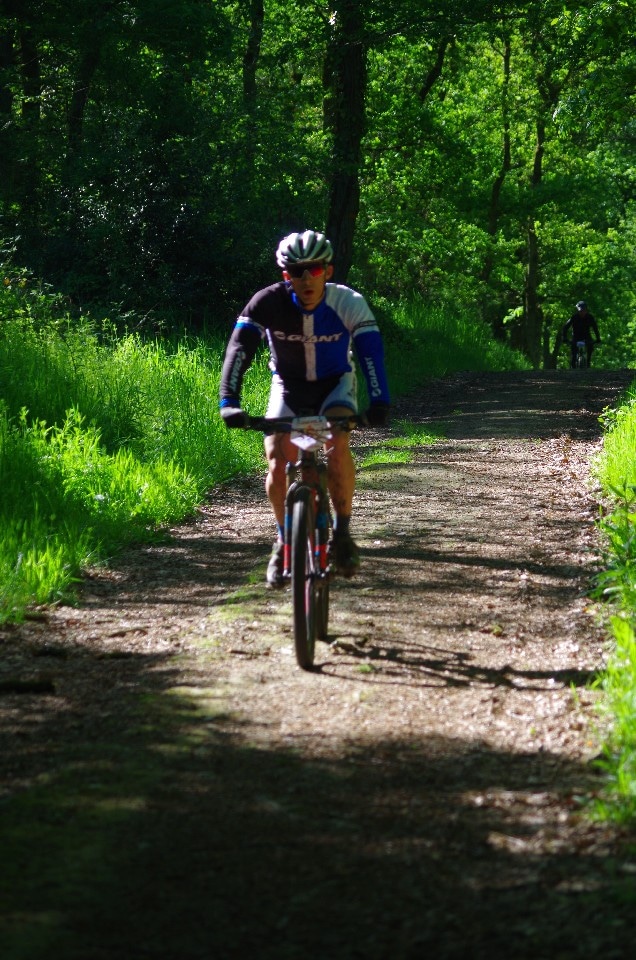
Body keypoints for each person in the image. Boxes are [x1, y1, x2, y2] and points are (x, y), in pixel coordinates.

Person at [219, 229, 391, 587]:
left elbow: (370, 353)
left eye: (314, 270)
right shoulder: (267, 302)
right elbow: (239, 349)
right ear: (287, 275)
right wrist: (229, 402)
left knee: (337, 443)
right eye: (298, 272)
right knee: (276, 457)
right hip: (288, 386)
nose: (307, 278)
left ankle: (342, 533)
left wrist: (379, 401)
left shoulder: (349, 302)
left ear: (327, 271)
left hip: (335, 385)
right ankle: (284, 540)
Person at [562, 300, 601, 368]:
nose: (582, 312)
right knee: (574, 353)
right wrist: (564, 337)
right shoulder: (574, 317)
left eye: (584, 311)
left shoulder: (590, 317)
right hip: (576, 336)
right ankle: (573, 366)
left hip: (586, 336)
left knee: (590, 346)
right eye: (580, 311)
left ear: (586, 310)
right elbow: (565, 327)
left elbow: (595, 328)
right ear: (578, 311)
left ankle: (588, 362)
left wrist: (598, 338)